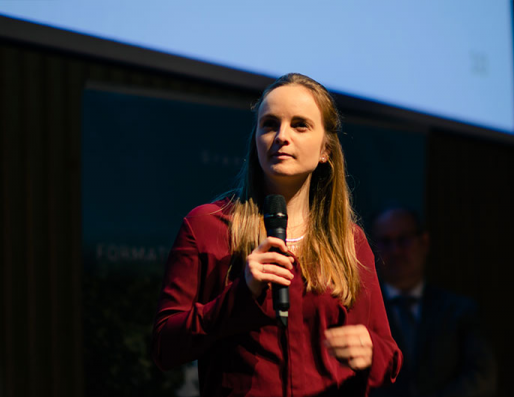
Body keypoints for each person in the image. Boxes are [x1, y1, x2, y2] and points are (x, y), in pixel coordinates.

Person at [151, 73, 402, 396]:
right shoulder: (206, 227)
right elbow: (165, 348)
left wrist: (371, 353)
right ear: (255, 138)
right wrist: (241, 294)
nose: (282, 136)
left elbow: (388, 357)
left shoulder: (349, 242)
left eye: (300, 125)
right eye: (269, 124)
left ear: (325, 149)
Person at [370, 206, 497, 397]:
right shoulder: (361, 313)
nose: (395, 250)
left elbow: (482, 377)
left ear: (424, 243)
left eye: (403, 240)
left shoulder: (460, 310)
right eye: (386, 242)